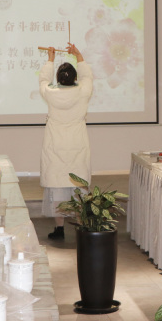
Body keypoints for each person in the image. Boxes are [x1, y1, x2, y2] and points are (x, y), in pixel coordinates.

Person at [39, 43, 93, 240]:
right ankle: (81, 227)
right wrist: (78, 54)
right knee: (78, 188)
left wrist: (50, 59)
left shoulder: (50, 92)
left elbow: (43, 79)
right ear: (75, 78)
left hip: (55, 143)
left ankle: (59, 228)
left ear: (58, 78)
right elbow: (88, 76)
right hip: (77, 142)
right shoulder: (83, 91)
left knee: (58, 187)